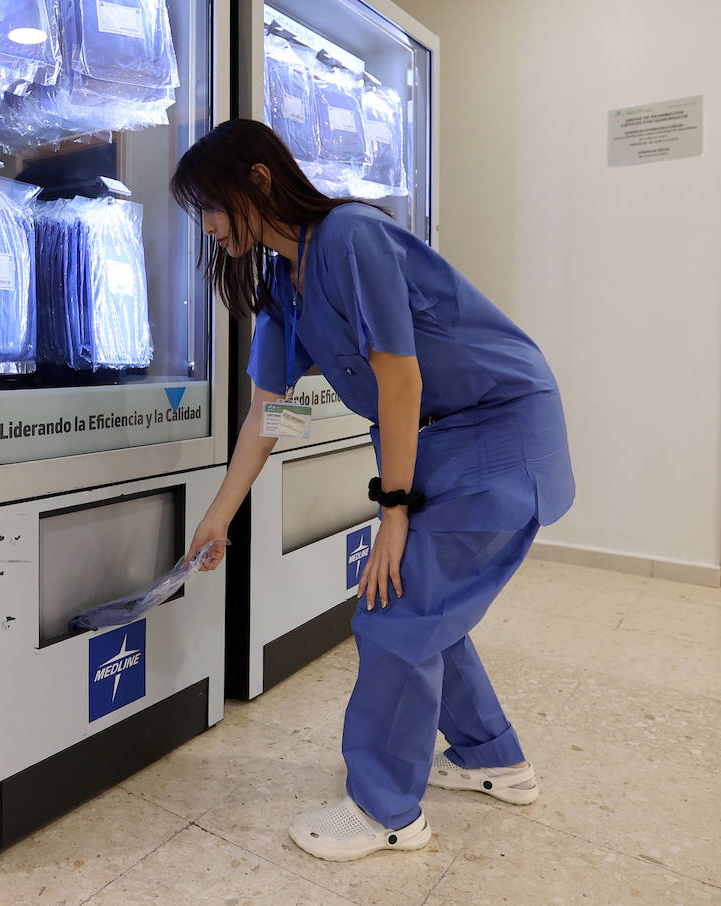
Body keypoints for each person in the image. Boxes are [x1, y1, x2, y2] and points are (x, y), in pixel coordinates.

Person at [171, 119, 574, 862]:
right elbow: (272, 412)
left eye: (212, 205)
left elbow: (400, 378)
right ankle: (493, 758)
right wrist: (219, 516)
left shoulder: (351, 237)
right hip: (444, 443)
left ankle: (386, 810)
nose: (208, 226)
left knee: (395, 607)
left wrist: (392, 513)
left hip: (496, 429)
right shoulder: (284, 286)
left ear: (258, 181)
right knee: (425, 606)